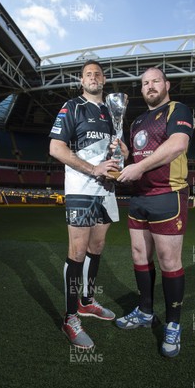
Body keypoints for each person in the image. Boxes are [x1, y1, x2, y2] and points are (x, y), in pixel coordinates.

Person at [114, 67, 193, 357]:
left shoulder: (178, 109)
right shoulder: (136, 121)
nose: (150, 86)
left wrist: (138, 166)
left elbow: (177, 144)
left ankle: (173, 324)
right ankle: (145, 311)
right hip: (139, 197)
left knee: (169, 260)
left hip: (167, 195)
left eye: (155, 81)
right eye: (145, 83)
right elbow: (135, 158)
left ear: (166, 84)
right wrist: (123, 154)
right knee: (138, 255)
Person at [49, 60, 127, 349]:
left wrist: (122, 151)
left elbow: (122, 150)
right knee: (77, 252)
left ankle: (86, 301)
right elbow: (55, 148)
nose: (93, 77)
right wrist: (91, 168)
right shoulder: (73, 107)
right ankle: (70, 318)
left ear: (104, 80)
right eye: (88, 74)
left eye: (98, 73)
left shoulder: (112, 111)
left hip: (106, 190)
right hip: (81, 188)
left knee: (97, 248)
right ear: (82, 81)